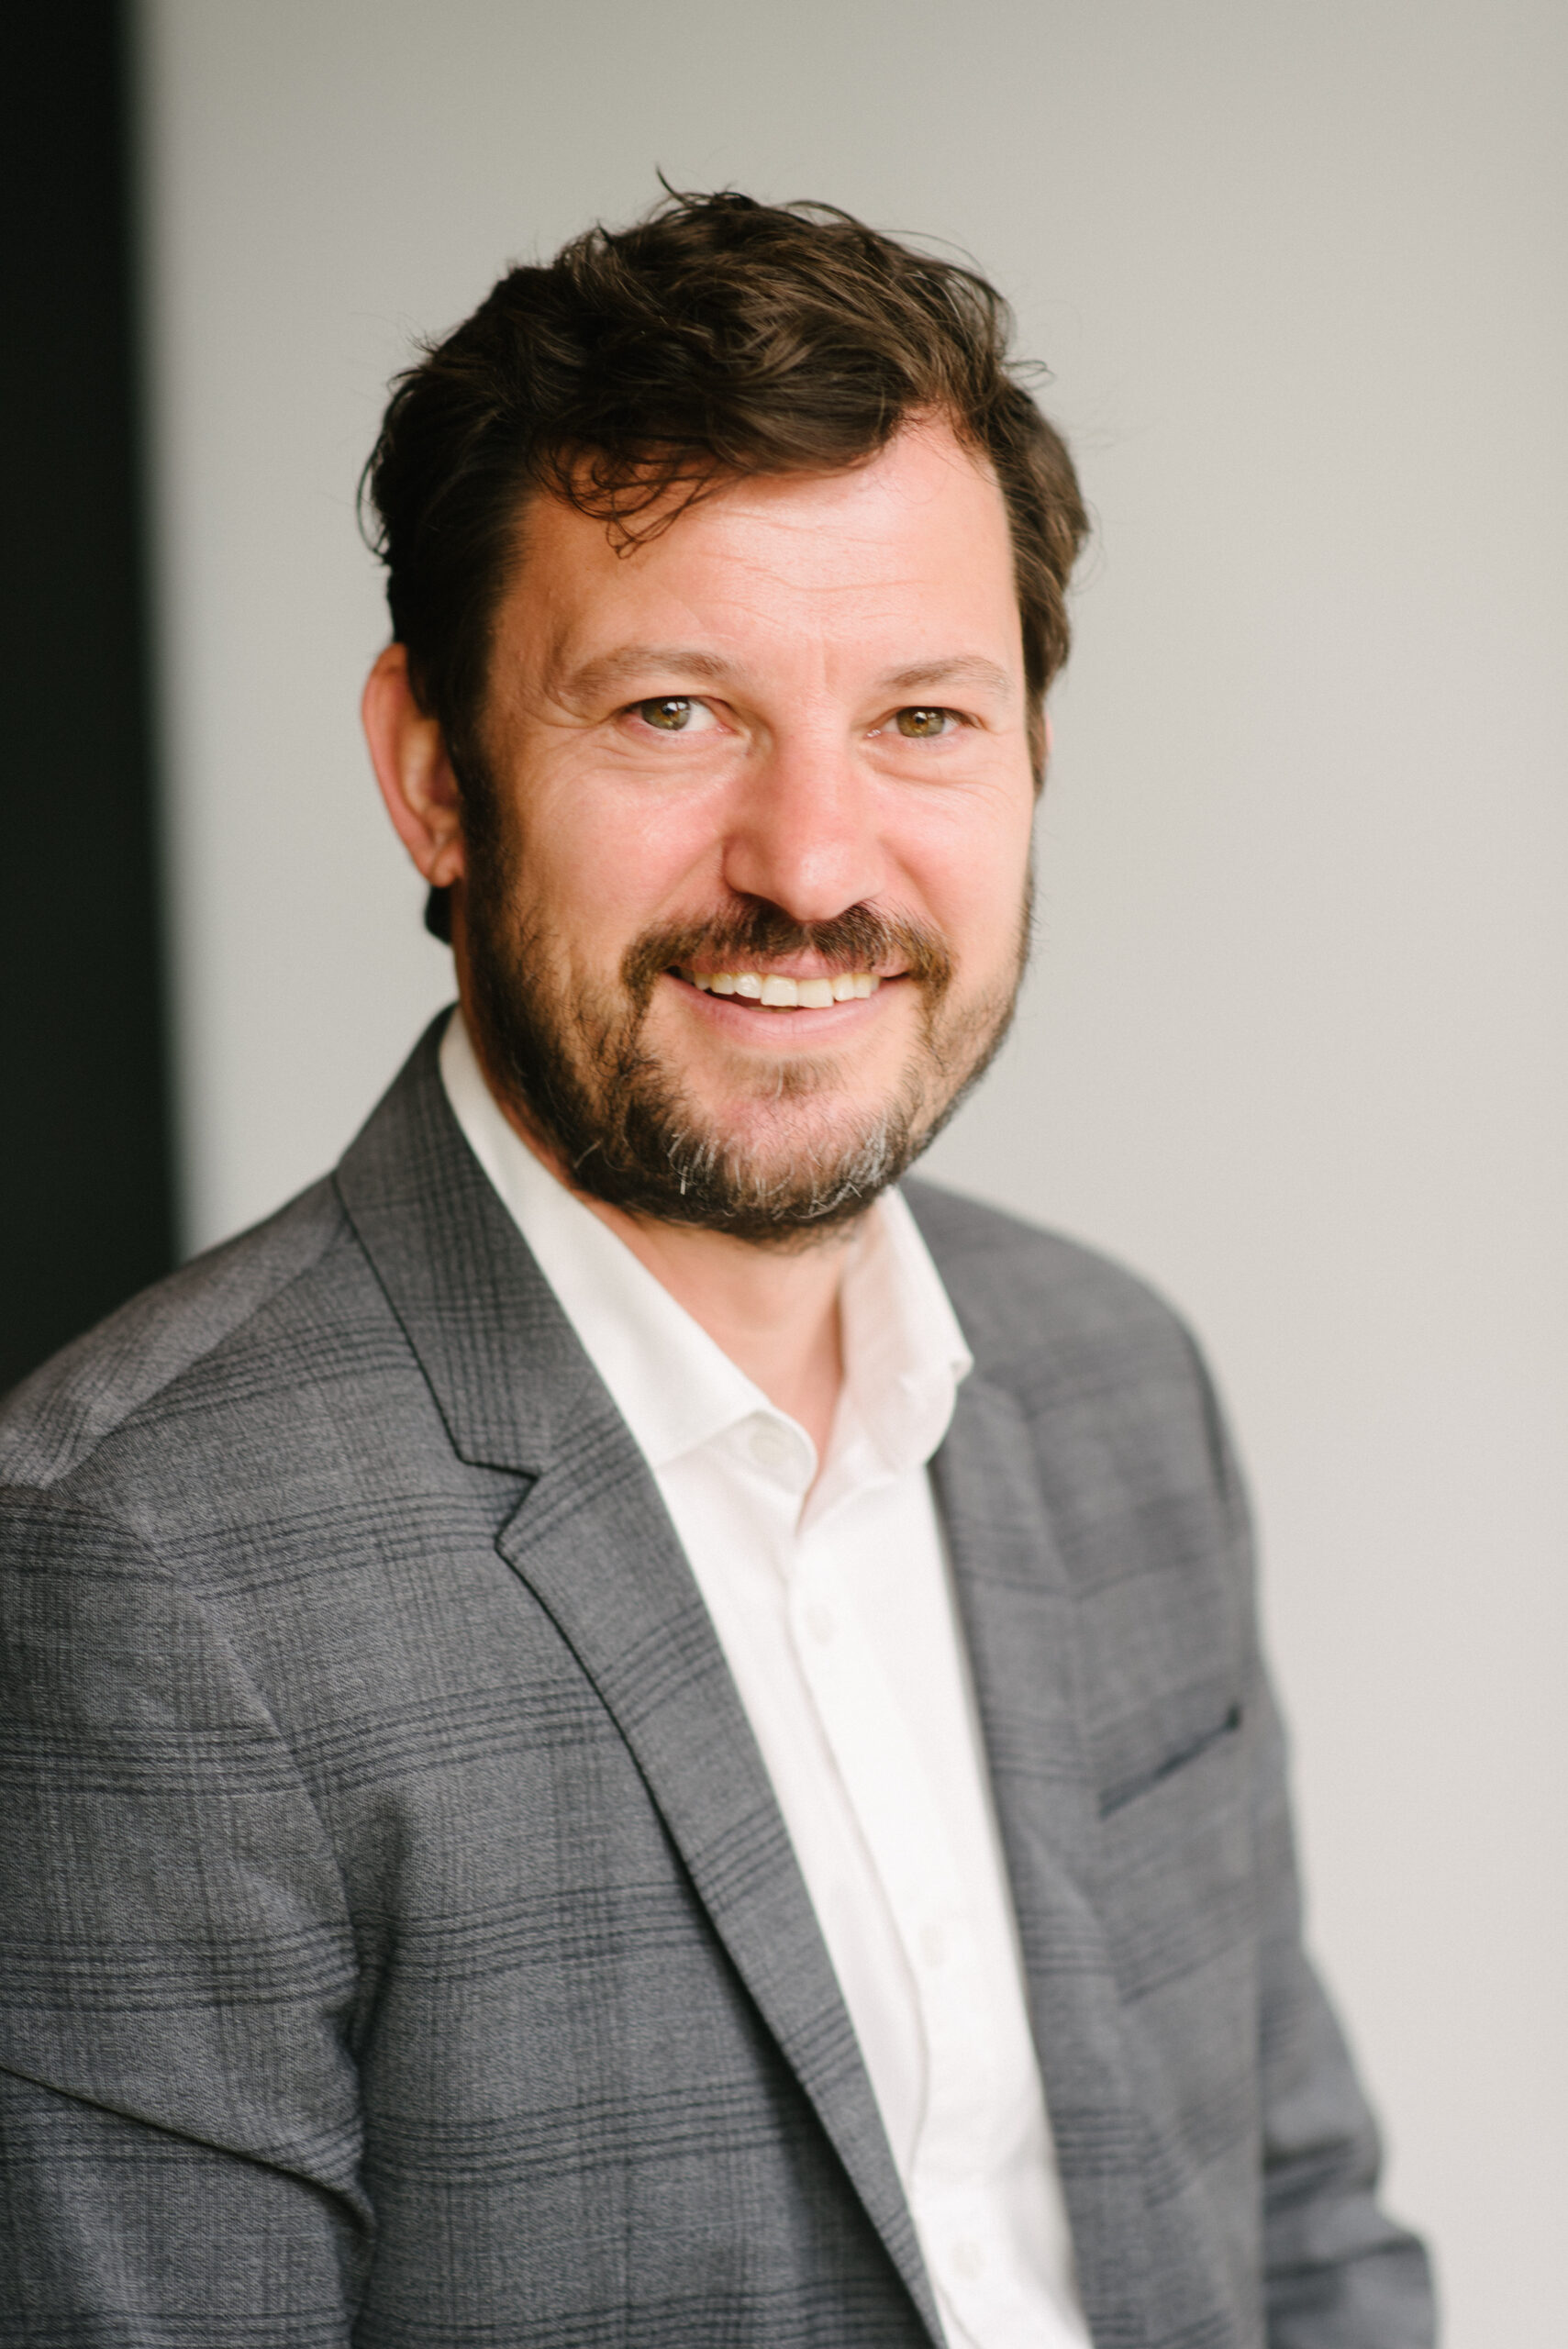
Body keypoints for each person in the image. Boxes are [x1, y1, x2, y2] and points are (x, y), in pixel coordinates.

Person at [0, 192, 1434, 2347]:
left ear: (1033, 751)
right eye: (674, 711)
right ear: (433, 775)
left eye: (924, 719)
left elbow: (1302, 2229)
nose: (816, 864)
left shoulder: (1118, 1382)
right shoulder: (142, 1563)